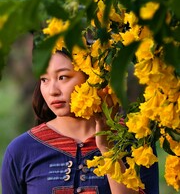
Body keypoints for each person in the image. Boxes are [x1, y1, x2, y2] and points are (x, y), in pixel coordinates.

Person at [1, 50, 159, 194]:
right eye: (44, 79)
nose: (52, 91)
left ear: (93, 78)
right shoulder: (21, 150)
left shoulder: (136, 141)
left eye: (63, 77)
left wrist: (108, 150)